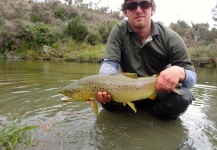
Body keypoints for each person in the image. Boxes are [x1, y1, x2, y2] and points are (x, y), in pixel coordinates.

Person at [96, 0, 197, 119]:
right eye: (132, 5)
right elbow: (110, 63)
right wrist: (103, 86)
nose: (138, 10)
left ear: (152, 9)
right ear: (125, 12)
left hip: (158, 93)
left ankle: (155, 113)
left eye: (144, 4)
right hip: (126, 92)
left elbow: (192, 79)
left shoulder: (171, 37)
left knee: (182, 99)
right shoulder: (118, 31)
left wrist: (180, 72)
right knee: (105, 99)